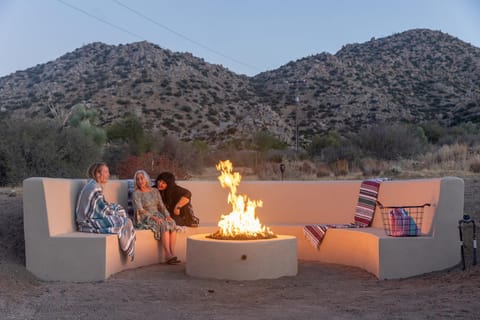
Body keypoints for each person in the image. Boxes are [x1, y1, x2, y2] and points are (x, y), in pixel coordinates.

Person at [75, 162, 136, 261]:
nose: (108, 175)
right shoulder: (94, 187)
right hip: (87, 222)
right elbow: (101, 211)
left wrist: (115, 209)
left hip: (89, 218)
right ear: (98, 174)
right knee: (125, 221)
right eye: (106, 172)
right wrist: (115, 214)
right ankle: (126, 246)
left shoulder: (93, 184)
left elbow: (100, 206)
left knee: (119, 209)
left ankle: (125, 239)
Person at [132, 170, 180, 264]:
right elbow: (140, 210)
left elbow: (161, 205)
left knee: (171, 223)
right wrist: (153, 218)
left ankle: (172, 253)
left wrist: (167, 215)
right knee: (162, 224)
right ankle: (167, 255)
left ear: (146, 179)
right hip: (144, 216)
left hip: (157, 214)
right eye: (137, 179)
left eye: (142, 178)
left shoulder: (155, 191)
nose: (140, 181)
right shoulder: (136, 193)